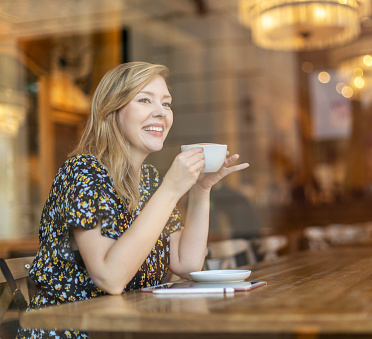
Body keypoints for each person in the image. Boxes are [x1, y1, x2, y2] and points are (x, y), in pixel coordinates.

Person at [16, 61, 249, 339]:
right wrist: (171, 189)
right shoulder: (82, 172)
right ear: (111, 111)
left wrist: (201, 189)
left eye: (166, 103)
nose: (160, 113)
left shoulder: (150, 179)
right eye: (144, 100)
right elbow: (109, 278)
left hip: (128, 330)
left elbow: (187, 264)